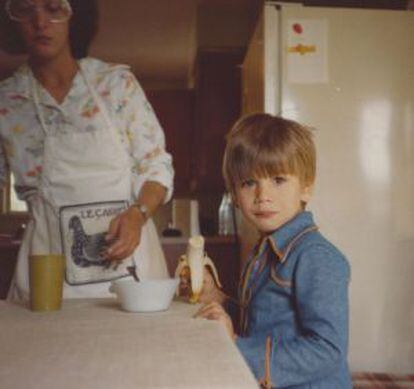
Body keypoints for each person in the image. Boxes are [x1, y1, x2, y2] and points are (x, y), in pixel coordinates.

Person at [0, 0, 174, 299]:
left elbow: (156, 165)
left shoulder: (116, 84)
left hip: (132, 276)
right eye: (26, 10)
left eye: (54, 8)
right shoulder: (6, 102)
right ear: (11, 20)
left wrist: (138, 214)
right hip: (49, 278)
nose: (40, 22)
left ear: (74, 15)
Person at [193, 113, 351, 388]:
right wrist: (219, 300)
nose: (262, 195)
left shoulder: (315, 257)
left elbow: (328, 351)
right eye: (248, 182)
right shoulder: (264, 251)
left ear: (306, 188)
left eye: (278, 180)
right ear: (235, 195)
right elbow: (261, 321)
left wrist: (235, 346)